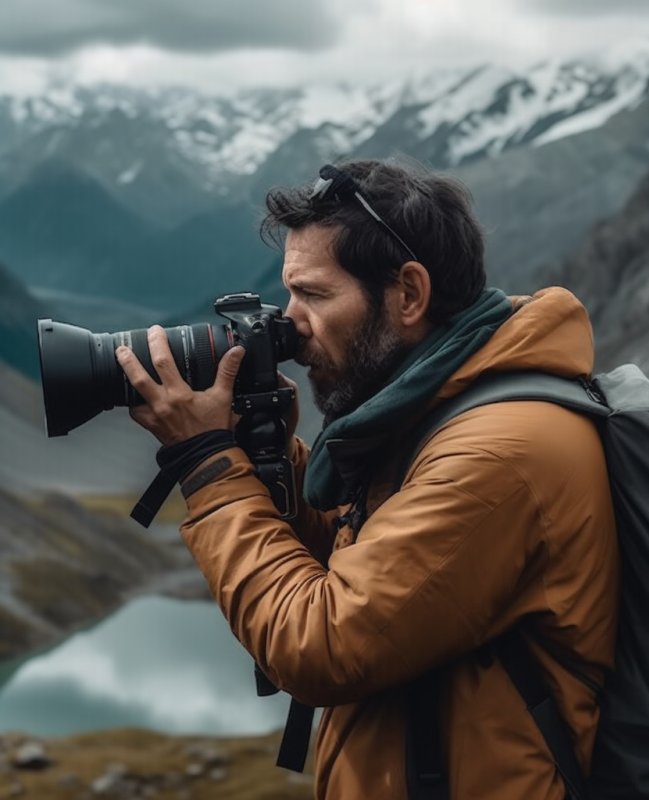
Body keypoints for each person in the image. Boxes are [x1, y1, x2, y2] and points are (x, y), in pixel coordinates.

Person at [115, 158, 619, 799]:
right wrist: (267, 451)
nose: (288, 321)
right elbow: (375, 566)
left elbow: (321, 645)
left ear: (408, 294)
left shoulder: (498, 454)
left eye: (316, 295)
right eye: (290, 291)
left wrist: (210, 464)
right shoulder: (441, 407)